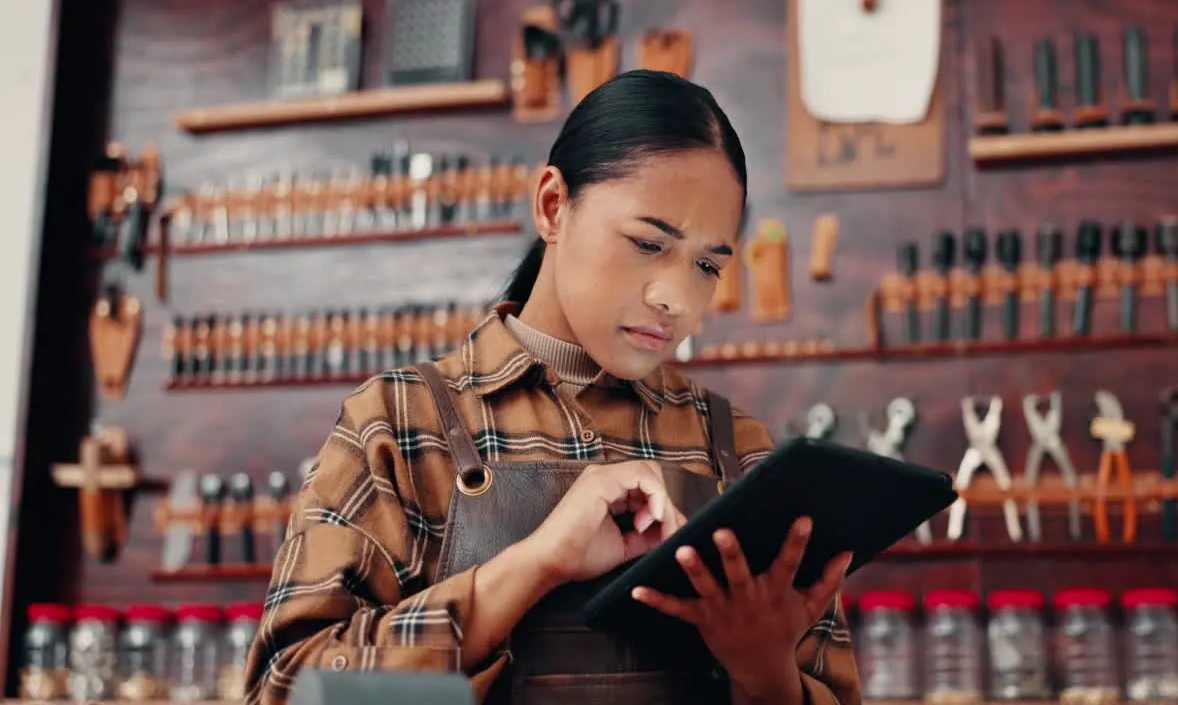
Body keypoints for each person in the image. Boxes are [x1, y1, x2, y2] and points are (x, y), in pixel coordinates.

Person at [243, 69, 861, 705]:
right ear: (552, 206)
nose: (676, 298)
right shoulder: (399, 423)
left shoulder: (739, 449)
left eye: (707, 264)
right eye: (648, 243)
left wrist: (766, 675)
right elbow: (287, 691)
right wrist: (535, 566)